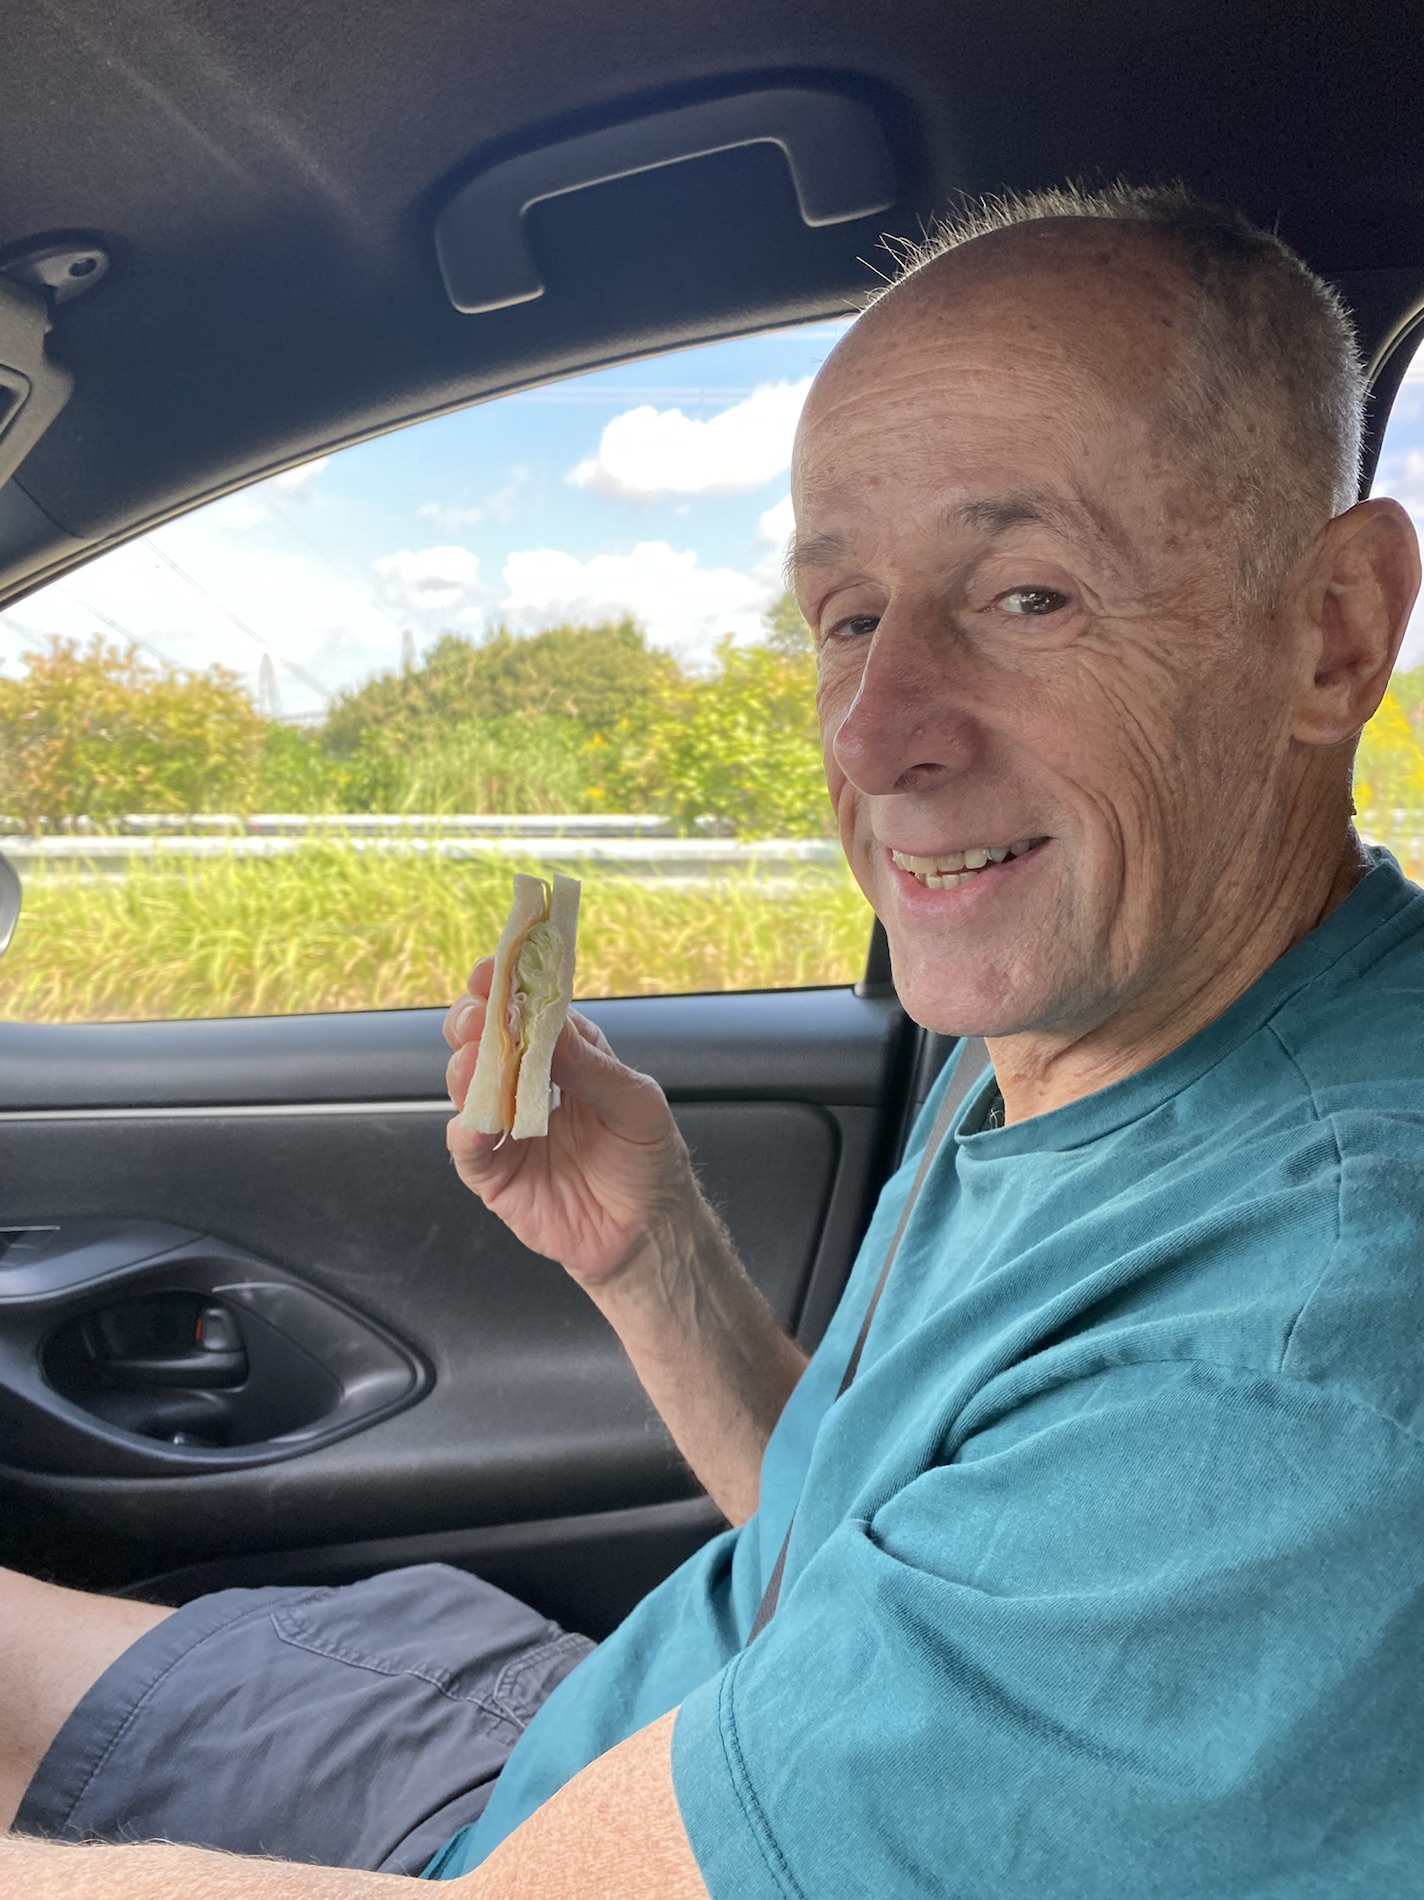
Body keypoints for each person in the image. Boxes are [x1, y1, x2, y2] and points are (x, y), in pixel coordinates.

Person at [3, 179, 1423, 1898]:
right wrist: (650, 1248)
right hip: (615, 1735)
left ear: (1334, 631)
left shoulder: (1292, 1360)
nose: (875, 737)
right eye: (848, 618)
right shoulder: (1098, 1005)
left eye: (1029, 595)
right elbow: (841, 1540)